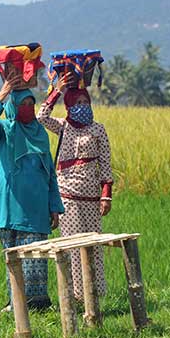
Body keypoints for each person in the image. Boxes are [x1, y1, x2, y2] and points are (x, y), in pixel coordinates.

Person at [0, 79, 64, 311]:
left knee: (36, 256)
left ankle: (38, 305)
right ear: (12, 107)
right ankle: (16, 304)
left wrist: (54, 206)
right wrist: (3, 94)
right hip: (8, 204)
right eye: (21, 103)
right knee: (13, 258)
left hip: (36, 207)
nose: (27, 108)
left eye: (30, 103)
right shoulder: (6, 130)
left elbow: (49, 174)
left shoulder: (40, 134)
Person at [37, 72, 113, 303]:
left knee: (93, 244)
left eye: (84, 102)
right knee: (71, 246)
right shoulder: (63, 127)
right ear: (69, 105)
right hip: (67, 195)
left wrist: (106, 195)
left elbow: (106, 163)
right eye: (77, 103)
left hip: (91, 196)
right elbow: (41, 117)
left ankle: (95, 294)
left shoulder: (98, 129)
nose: (82, 106)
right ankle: (75, 297)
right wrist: (56, 91)